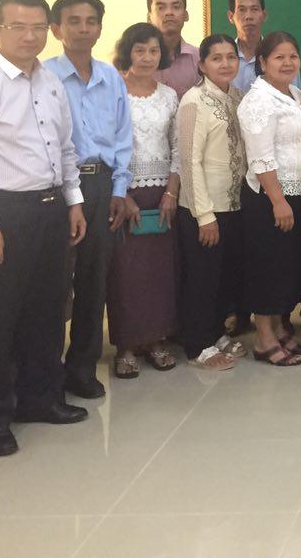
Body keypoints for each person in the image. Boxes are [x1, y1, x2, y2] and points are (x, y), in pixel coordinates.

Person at [0, 0, 89, 456]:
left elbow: (65, 148)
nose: (29, 36)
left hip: (51, 210)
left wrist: (74, 202)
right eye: (17, 27)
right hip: (3, 214)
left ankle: (39, 399)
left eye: (36, 27)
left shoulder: (49, 80)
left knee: (47, 310)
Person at [44, 0, 132, 398]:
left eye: (91, 20)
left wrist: (118, 188)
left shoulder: (111, 77)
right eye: (73, 21)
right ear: (56, 29)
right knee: (53, 283)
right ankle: (44, 372)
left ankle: (81, 368)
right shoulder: (43, 77)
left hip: (101, 184)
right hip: (58, 188)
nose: (83, 28)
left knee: (95, 279)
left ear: (99, 27)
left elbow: (122, 136)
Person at [109, 23, 181, 379]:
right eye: (140, 50)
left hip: (162, 194)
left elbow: (178, 147)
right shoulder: (113, 92)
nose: (147, 57)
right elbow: (105, 148)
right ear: (128, 52)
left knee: (159, 271)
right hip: (123, 195)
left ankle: (156, 340)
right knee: (126, 274)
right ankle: (125, 346)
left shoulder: (169, 96)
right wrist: (121, 195)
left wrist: (171, 191)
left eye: (153, 51)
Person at [238, 31, 301, 367]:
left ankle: (281, 329)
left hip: (295, 191)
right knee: (266, 268)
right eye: (279, 57)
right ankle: (263, 339)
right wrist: (277, 200)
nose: (287, 63)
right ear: (263, 63)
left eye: (292, 56)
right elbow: (261, 156)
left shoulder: (294, 93)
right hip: (269, 198)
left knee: (285, 265)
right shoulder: (258, 100)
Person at [176, 34, 248, 370]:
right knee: (202, 278)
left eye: (230, 57)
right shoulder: (194, 101)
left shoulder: (235, 95)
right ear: (202, 64)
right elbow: (189, 161)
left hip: (233, 203)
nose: (225, 63)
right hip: (204, 208)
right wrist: (203, 215)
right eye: (216, 58)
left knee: (223, 276)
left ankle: (216, 332)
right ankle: (197, 345)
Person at [228, 0, 301, 94]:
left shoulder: (282, 56)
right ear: (231, 16)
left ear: (264, 15)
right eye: (242, 10)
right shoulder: (223, 57)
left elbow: (293, 97)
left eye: (254, 9)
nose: (248, 16)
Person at [148, 0, 199, 98]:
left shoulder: (199, 58)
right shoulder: (136, 59)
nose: (169, 12)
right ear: (149, 17)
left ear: (186, 15)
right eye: (161, 8)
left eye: (176, 7)